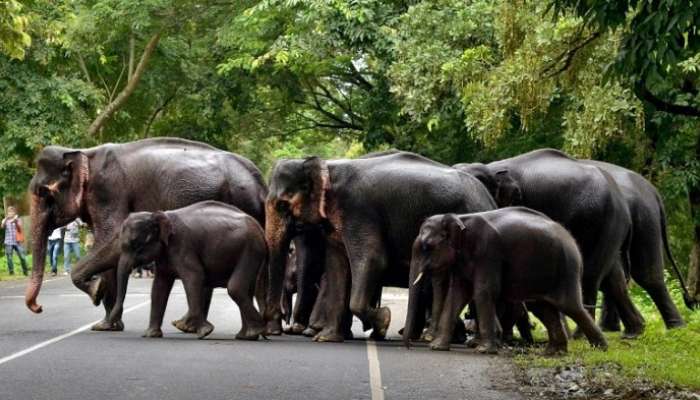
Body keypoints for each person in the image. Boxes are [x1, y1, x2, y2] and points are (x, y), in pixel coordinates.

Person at [2, 206, 28, 276]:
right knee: (9, 258)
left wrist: (15, 221)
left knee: (22, 257)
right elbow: (2, 226)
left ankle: (25, 272)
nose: (11, 213)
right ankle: (11, 272)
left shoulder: (18, 219)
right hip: (8, 241)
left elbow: (20, 228)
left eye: (12, 212)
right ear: (7, 213)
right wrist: (7, 218)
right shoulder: (5, 220)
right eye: (9, 212)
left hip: (17, 241)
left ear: (14, 213)